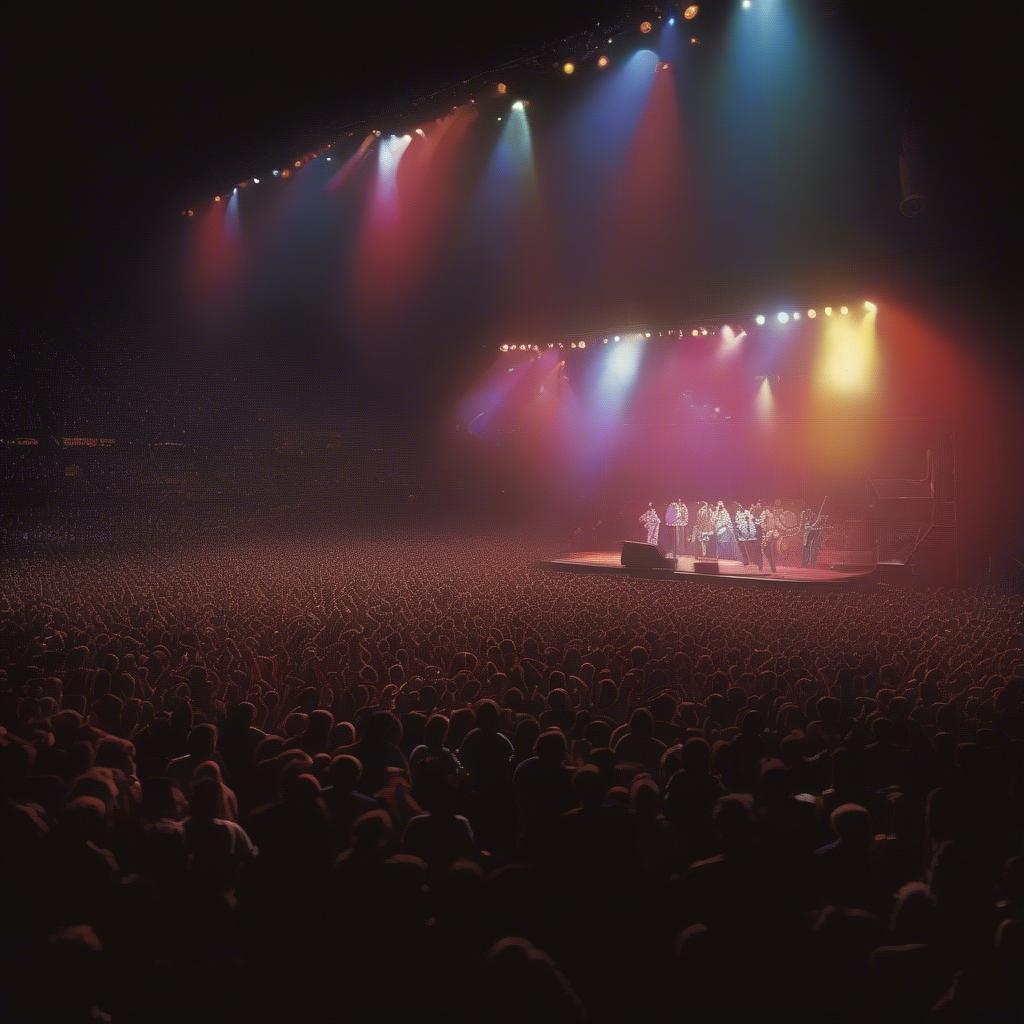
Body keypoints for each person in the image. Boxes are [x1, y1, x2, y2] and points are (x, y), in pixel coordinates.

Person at [760, 498, 784, 574]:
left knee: (770, 550)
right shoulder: (765, 513)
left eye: (770, 505)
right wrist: (765, 528)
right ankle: (770, 566)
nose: (770, 507)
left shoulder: (774, 513)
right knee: (767, 551)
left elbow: (778, 522)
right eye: (768, 506)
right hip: (767, 533)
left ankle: (773, 567)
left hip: (772, 533)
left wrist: (778, 529)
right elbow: (762, 522)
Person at [734, 504, 761, 570]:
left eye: (741, 506)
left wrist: (755, 524)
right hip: (741, 534)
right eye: (739, 507)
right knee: (742, 548)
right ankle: (746, 561)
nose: (740, 508)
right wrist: (738, 527)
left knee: (750, 548)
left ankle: (753, 561)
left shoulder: (748, 513)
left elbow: (753, 521)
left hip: (749, 535)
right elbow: (736, 522)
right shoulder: (737, 514)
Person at [801, 503, 828, 568]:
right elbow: (806, 524)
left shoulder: (818, 516)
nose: (808, 511)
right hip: (810, 531)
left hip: (816, 531)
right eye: (808, 510)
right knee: (807, 546)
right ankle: (805, 563)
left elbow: (820, 524)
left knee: (815, 547)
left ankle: (813, 563)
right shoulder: (805, 514)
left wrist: (821, 524)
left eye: (809, 510)